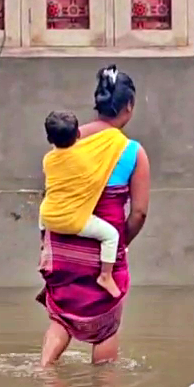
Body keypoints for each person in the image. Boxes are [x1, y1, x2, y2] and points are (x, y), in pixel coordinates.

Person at [37, 65, 151, 366]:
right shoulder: (131, 151)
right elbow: (139, 212)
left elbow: (55, 187)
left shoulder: (69, 139)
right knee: (105, 326)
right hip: (101, 249)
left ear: (97, 103)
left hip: (61, 244)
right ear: (129, 105)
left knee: (61, 316)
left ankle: (45, 373)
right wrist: (119, 247)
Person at [39, 110, 124, 299]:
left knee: (48, 201)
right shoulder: (86, 160)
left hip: (48, 218)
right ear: (78, 134)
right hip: (72, 221)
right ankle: (105, 276)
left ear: (48, 139)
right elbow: (101, 163)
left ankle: (44, 247)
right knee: (111, 236)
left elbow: (63, 157)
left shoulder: (48, 160)